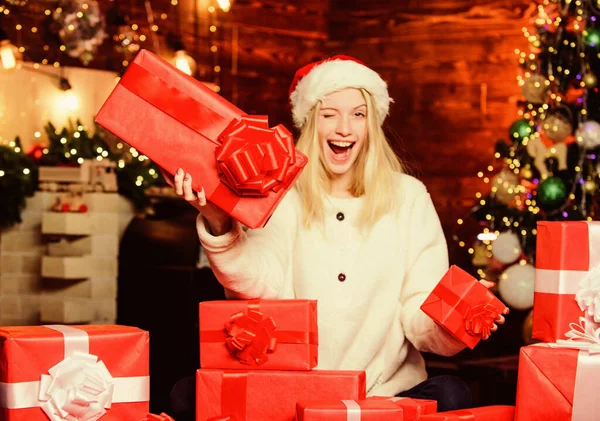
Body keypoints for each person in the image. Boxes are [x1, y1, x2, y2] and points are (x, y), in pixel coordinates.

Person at [167, 55, 507, 419]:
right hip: (298, 391)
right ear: (311, 122)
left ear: (372, 125)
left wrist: (455, 321)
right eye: (330, 114)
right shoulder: (283, 194)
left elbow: (418, 307)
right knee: (187, 394)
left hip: (385, 394)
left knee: (452, 393)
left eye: (358, 114)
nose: (344, 128)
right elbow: (257, 288)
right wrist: (219, 221)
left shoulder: (408, 197)